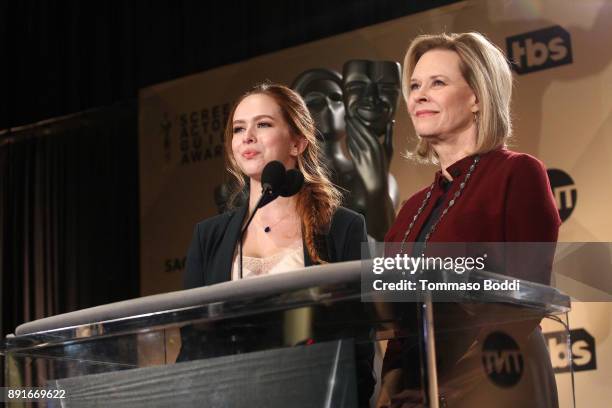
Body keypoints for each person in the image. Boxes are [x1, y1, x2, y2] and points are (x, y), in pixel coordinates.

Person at [381, 33, 561, 407]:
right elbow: (399, 321)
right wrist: (391, 385)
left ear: (477, 97)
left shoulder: (518, 173)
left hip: (499, 384)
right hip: (420, 392)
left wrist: (452, 388)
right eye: (414, 85)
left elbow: (523, 303)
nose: (419, 95)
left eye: (438, 83)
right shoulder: (411, 209)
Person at [182, 82, 374, 405]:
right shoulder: (208, 238)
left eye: (263, 124)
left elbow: (359, 344)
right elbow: (192, 346)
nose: (248, 137)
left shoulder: (342, 228)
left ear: (297, 142)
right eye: (239, 128)